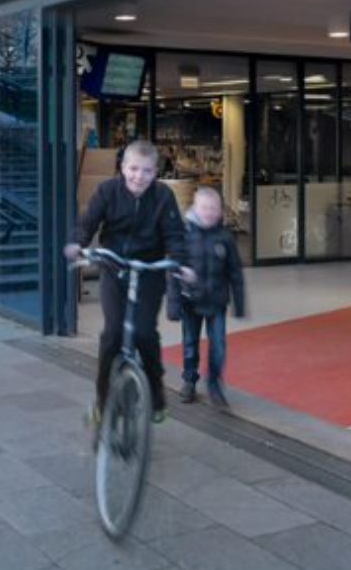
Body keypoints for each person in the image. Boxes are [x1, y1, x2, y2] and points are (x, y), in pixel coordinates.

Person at [64, 139, 196, 427]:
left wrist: (182, 263)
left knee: (145, 333)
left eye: (147, 171)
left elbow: (175, 234)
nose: (139, 176)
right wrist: (78, 243)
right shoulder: (107, 191)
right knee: (112, 334)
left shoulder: (163, 196)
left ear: (155, 172)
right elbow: (88, 222)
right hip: (114, 269)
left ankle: (157, 395)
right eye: (133, 169)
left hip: (149, 271)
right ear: (123, 167)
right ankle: (102, 404)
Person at [168, 188, 246, 408]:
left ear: (220, 210)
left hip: (217, 302)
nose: (209, 212)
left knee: (218, 346)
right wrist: (173, 305)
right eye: (204, 208)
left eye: (214, 208)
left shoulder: (225, 238)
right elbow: (173, 271)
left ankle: (214, 384)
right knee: (190, 344)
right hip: (190, 302)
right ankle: (189, 381)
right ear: (195, 208)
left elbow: (235, 272)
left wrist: (239, 303)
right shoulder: (184, 235)